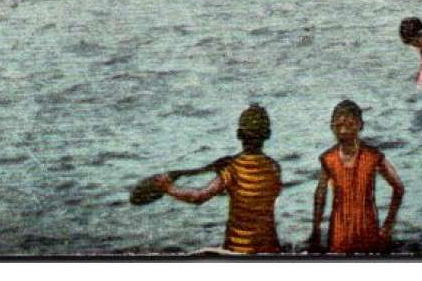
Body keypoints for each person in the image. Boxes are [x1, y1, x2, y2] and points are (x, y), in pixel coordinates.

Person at [151, 105, 282, 255]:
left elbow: (198, 197)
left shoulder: (232, 169)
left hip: (237, 250)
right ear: (268, 134)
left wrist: (168, 189)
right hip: (271, 250)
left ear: (239, 134)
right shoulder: (274, 168)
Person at [309, 100, 403, 255]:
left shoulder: (373, 156)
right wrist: (316, 231)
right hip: (339, 235)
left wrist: (387, 227)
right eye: (338, 126)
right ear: (332, 127)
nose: (344, 131)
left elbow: (398, 187)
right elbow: (320, 195)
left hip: (368, 233)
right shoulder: (328, 159)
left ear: (360, 125)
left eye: (349, 125)